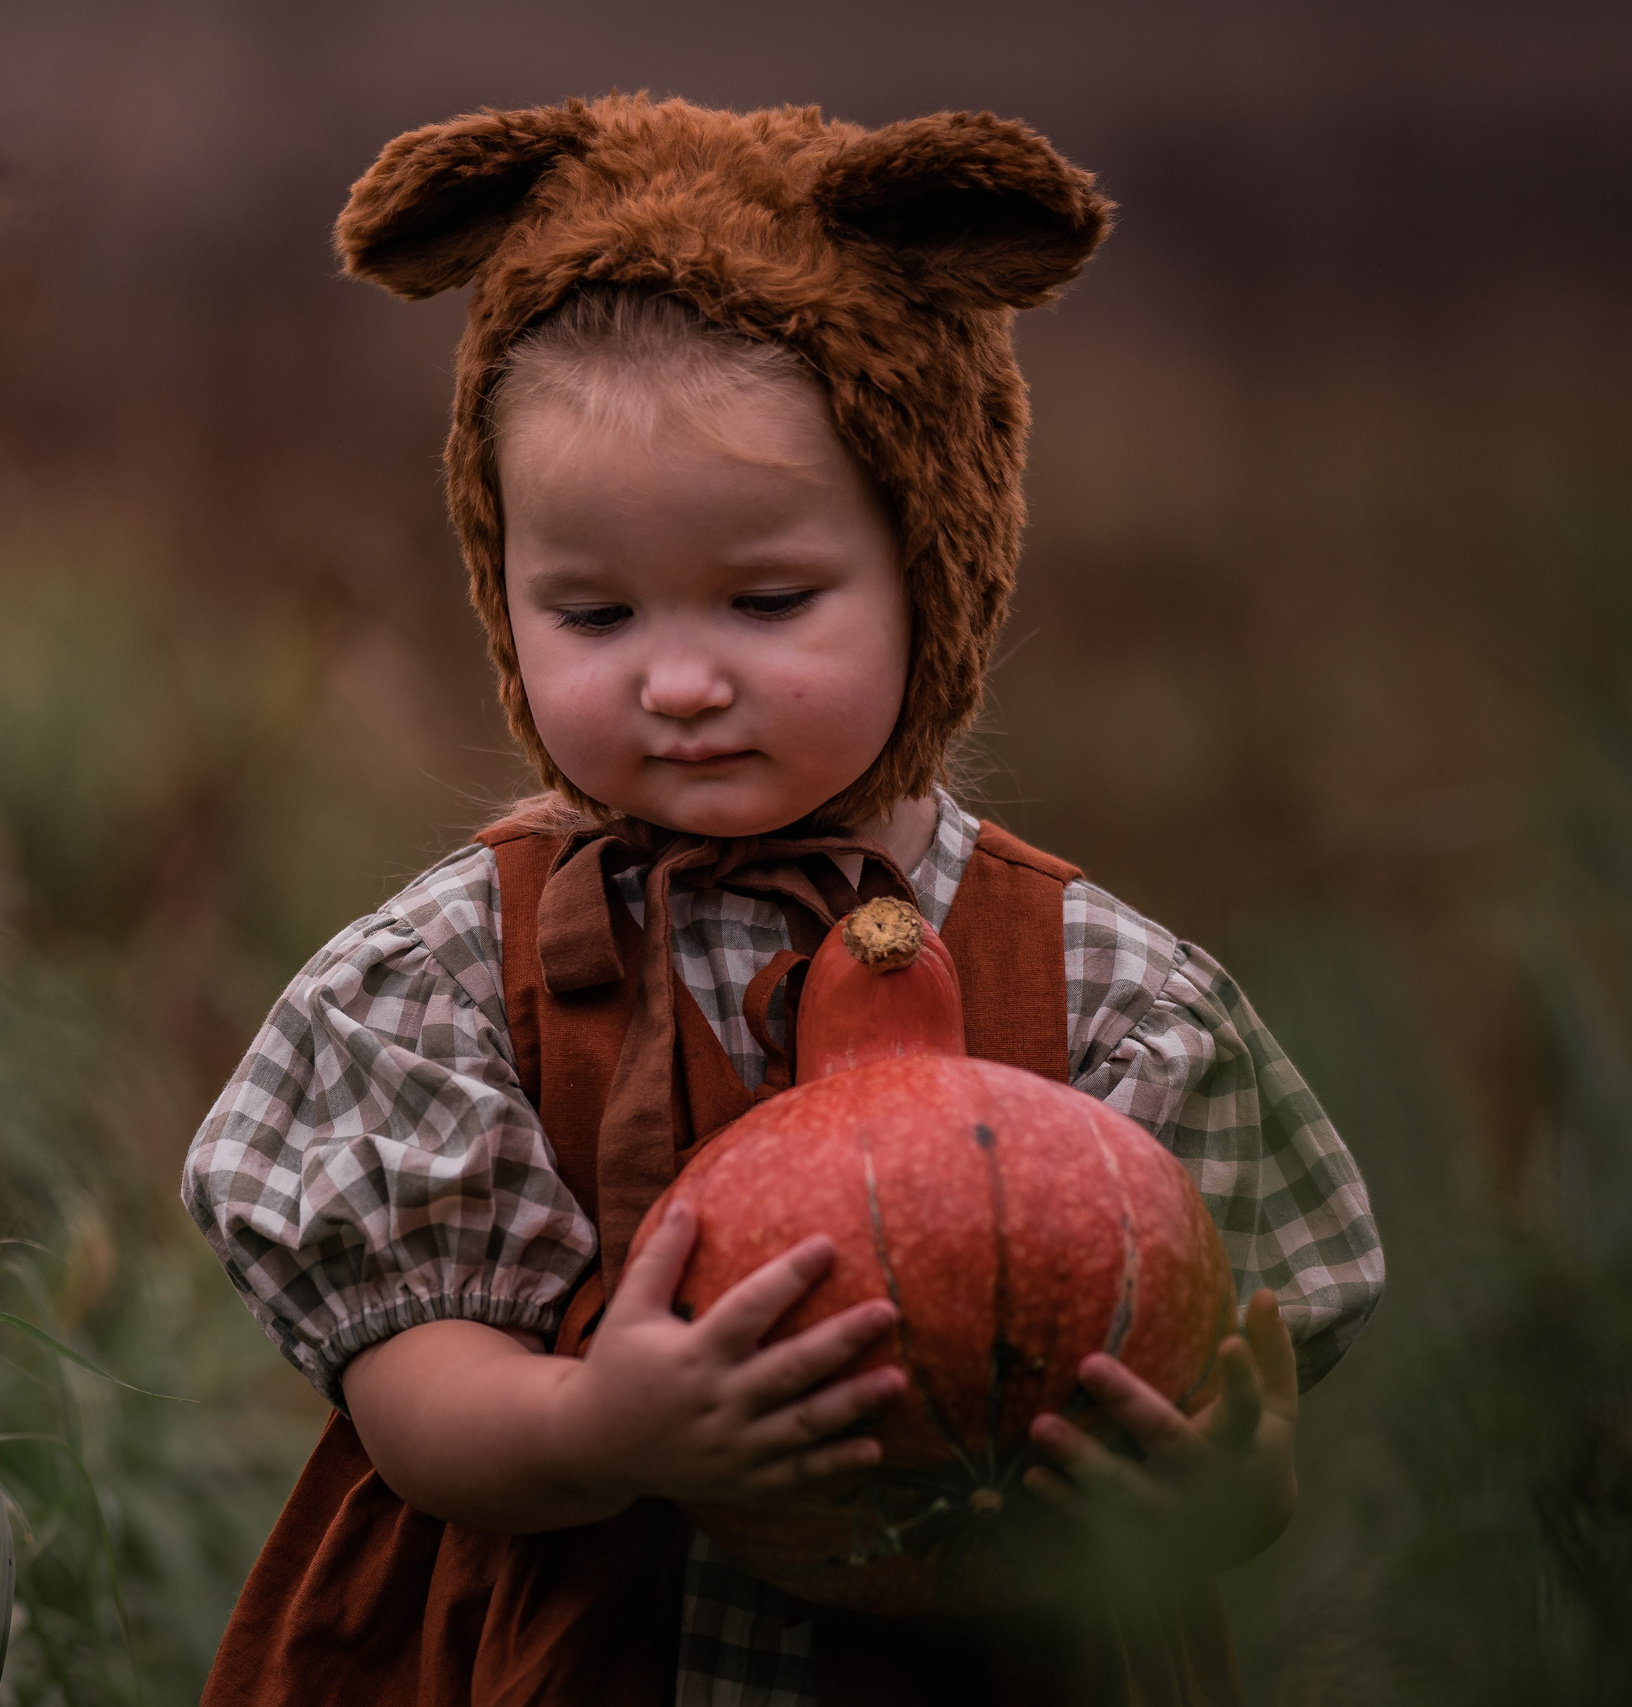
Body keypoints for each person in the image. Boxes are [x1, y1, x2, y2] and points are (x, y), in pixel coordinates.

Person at [181, 94, 1383, 1706]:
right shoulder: (456, 975)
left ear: (933, 563)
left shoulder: (1102, 990)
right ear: (501, 585)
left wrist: (1207, 1496)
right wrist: (596, 1427)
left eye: (768, 600)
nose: (680, 679)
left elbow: (1235, 1390)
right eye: (593, 610)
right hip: (563, 1651)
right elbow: (407, 1396)